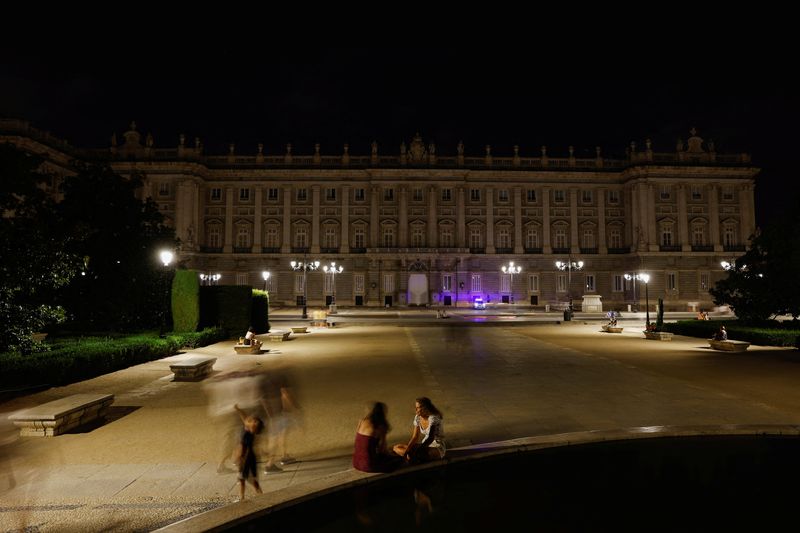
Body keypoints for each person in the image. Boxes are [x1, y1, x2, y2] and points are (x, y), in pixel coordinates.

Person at [393, 397, 445, 464]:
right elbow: (415, 437)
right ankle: (410, 457)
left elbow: (430, 438)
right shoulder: (418, 417)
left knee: (416, 453)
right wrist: (407, 451)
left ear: (425, 408)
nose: (416, 410)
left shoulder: (433, 417)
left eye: (418, 407)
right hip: (424, 445)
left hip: (436, 446)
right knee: (396, 447)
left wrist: (418, 450)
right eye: (416, 407)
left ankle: (411, 457)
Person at [353, 402, 402, 473]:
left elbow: (359, 441)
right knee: (400, 460)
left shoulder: (362, 421)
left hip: (356, 463)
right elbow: (383, 449)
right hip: (369, 465)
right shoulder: (380, 426)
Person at [233, 403, 264, 501]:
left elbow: (243, 447)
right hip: (248, 457)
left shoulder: (248, 435)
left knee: (249, 479)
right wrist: (238, 409)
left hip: (247, 458)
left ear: (253, 428)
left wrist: (239, 458)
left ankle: (260, 495)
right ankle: (242, 496)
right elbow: (245, 418)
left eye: (254, 422)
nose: (250, 421)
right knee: (245, 479)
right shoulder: (247, 428)